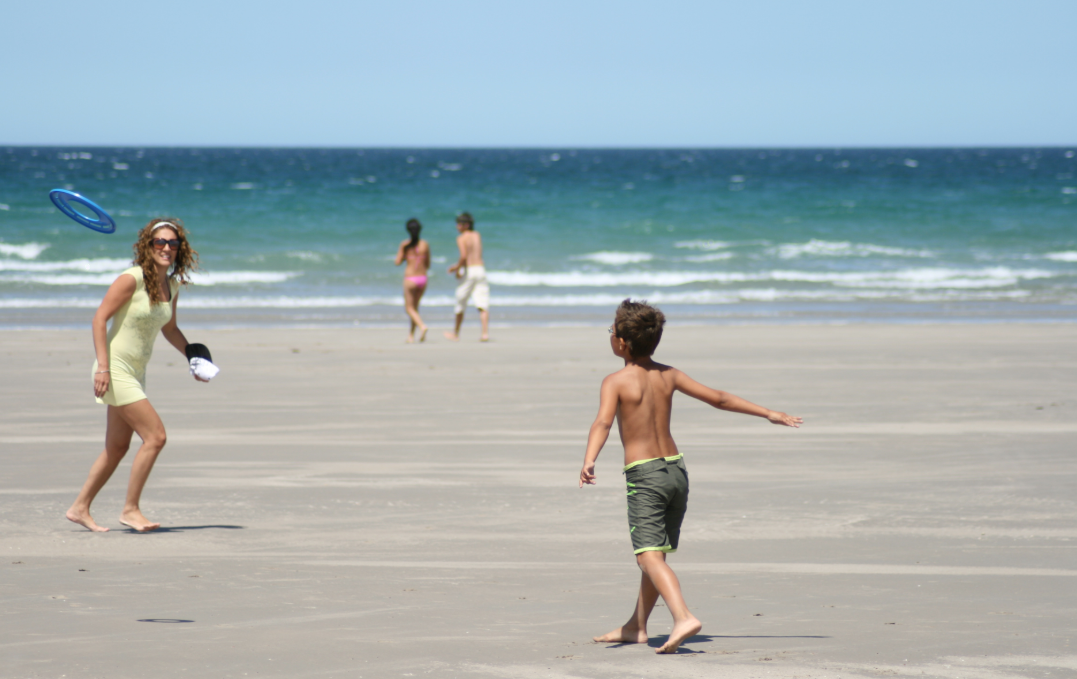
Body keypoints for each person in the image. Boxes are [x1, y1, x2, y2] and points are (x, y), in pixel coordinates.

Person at [579, 300, 802, 653]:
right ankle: (636, 626)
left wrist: (589, 459)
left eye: (611, 331)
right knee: (658, 552)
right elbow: (720, 399)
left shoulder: (616, 381)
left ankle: (683, 616)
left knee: (647, 555)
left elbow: (603, 422)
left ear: (621, 342)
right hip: (676, 471)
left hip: (646, 475)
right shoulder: (669, 374)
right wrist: (768, 413)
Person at [65, 218, 207, 533]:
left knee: (117, 447)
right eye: (160, 242)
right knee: (156, 437)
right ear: (148, 245)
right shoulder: (132, 279)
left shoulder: (171, 286)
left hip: (135, 372)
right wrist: (102, 367)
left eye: (173, 243)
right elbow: (99, 319)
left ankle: (79, 508)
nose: (167, 248)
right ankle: (130, 510)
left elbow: (169, 328)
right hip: (114, 369)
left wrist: (194, 358)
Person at [444, 212, 489, 342]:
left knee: (460, 301)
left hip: (470, 270)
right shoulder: (477, 235)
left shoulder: (461, 238)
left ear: (466, 225)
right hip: (480, 269)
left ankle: (456, 333)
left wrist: (457, 269)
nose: (457, 227)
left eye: (459, 224)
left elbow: (464, 256)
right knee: (482, 303)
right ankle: (484, 333)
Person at [394, 218, 430, 343]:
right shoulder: (425, 244)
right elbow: (428, 264)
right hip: (423, 278)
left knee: (409, 308)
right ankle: (411, 335)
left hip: (410, 278)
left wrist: (406, 256)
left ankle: (422, 326)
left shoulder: (405, 244)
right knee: (415, 308)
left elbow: (397, 262)